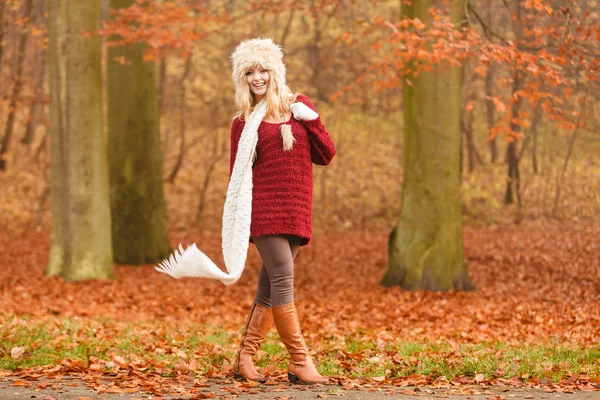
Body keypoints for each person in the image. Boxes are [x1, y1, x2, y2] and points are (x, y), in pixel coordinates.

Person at [229, 37, 336, 385]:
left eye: (263, 70)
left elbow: (326, 154)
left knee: (268, 288)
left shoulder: (297, 108)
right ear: (242, 78)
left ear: (276, 72)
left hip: (296, 210)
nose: (257, 77)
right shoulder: (243, 123)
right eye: (249, 72)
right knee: (284, 281)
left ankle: (244, 357)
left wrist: (313, 120)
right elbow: (237, 178)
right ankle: (300, 361)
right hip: (265, 211)